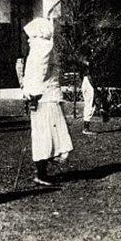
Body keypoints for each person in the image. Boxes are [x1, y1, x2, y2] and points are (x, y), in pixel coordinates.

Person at [23, 17, 74, 186]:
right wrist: (33, 93)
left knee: (43, 136)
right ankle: (42, 172)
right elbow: (39, 72)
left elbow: (35, 73)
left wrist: (31, 94)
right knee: (46, 136)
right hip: (47, 97)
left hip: (42, 97)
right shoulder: (44, 47)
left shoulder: (39, 48)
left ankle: (42, 171)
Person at [79, 44, 98, 135]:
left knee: (88, 103)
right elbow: (91, 74)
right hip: (89, 81)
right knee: (90, 103)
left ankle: (86, 126)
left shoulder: (81, 61)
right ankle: (86, 127)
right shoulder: (89, 62)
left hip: (84, 81)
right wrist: (94, 85)